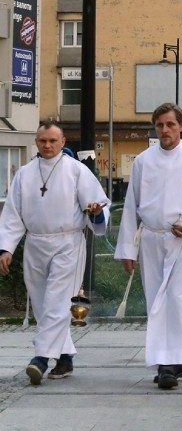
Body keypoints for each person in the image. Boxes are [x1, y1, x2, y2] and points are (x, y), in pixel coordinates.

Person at [114, 103, 182, 389]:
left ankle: (172, 363)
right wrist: (128, 249)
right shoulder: (143, 161)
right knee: (156, 301)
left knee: (180, 299)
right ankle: (166, 362)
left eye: (170, 124)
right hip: (152, 239)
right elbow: (131, 207)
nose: (165, 130)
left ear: (181, 127)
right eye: (160, 125)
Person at [0, 120, 109, 385]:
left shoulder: (76, 171)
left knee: (58, 303)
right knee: (41, 303)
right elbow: (13, 214)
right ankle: (65, 356)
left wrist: (95, 211)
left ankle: (40, 357)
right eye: (42, 141)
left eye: (52, 140)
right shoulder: (25, 174)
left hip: (67, 243)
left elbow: (99, 203)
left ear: (62, 142)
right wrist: (6, 248)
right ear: (36, 142)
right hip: (36, 243)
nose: (47, 145)